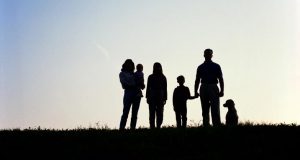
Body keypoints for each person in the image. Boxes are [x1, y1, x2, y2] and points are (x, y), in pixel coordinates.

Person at [194, 48, 224, 127]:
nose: (208, 55)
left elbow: (220, 78)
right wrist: (195, 91)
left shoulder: (216, 66)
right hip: (204, 86)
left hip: (213, 86)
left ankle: (216, 125)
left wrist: (222, 90)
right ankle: (206, 125)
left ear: (212, 55)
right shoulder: (200, 67)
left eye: (209, 54)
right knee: (205, 108)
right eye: (206, 53)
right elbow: (197, 80)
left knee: (215, 108)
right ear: (204, 55)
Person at [119, 59, 141, 130]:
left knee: (135, 113)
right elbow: (124, 84)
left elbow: (141, 83)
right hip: (128, 93)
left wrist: (140, 84)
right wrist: (134, 84)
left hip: (137, 93)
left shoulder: (135, 74)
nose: (130, 65)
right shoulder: (122, 74)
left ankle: (133, 128)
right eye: (129, 64)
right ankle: (122, 128)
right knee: (125, 112)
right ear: (125, 65)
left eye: (131, 64)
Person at [146, 62, 167, 129]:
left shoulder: (163, 77)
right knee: (152, 111)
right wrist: (147, 97)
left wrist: (165, 98)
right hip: (152, 94)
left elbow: (165, 88)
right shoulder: (150, 77)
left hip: (161, 94)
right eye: (156, 66)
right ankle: (152, 126)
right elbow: (148, 87)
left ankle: (158, 126)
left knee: (160, 112)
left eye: (158, 66)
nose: (157, 68)